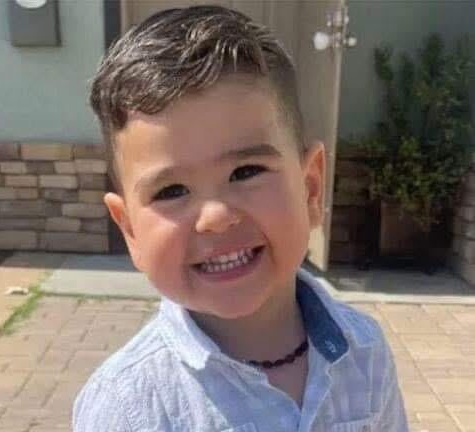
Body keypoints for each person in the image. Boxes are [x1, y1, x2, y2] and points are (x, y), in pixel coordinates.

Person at [72, 5, 409, 431]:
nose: (215, 216)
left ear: (309, 188)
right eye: (171, 191)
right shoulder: (128, 406)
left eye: (245, 172)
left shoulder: (365, 353)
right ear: (130, 230)